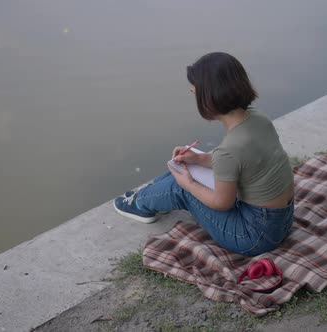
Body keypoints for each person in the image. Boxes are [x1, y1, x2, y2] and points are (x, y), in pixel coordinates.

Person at [114, 52, 294, 256]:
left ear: (209, 98)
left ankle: (139, 203)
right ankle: (149, 194)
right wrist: (199, 159)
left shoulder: (230, 149)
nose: (192, 93)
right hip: (281, 220)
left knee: (181, 188)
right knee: (185, 166)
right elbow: (243, 160)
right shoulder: (258, 119)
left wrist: (189, 185)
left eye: (194, 92)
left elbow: (222, 202)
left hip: (254, 237)